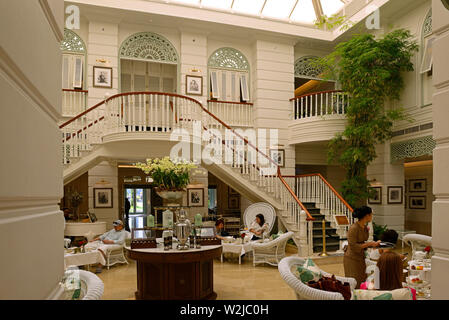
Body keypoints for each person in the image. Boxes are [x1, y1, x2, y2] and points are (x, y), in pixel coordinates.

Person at [344, 206, 380, 288]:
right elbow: (353, 246)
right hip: (351, 258)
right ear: (367, 216)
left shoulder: (364, 227)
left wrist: (373, 244)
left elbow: (363, 242)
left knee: (361, 280)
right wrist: (369, 244)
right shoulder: (353, 228)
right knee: (354, 282)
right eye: (371, 214)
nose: (372, 216)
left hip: (360, 257)